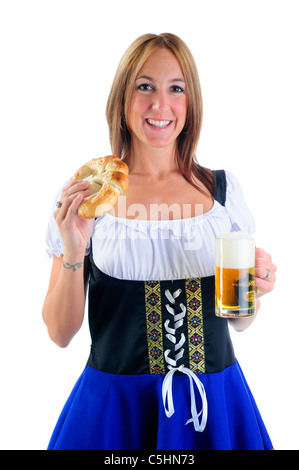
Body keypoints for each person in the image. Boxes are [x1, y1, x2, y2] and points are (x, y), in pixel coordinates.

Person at [43, 33, 277, 450]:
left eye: (176, 88)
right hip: (117, 410)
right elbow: (60, 334)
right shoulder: (86, 195)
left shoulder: (222, 193)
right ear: (123, 97)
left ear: (191, 104)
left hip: (214, 405)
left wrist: (254, 289)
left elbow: (239, 320)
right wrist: (75, 253)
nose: (160, 105)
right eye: (145, 86)